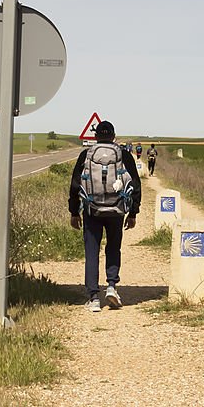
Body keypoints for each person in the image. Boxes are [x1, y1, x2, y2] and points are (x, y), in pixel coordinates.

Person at [69, 121, 142, 312]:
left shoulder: (86, 155)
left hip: (92, 210)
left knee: (92, 252)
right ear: (113, 136)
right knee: (113, 248)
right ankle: (111, 286)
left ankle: (93, 297)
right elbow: (135, 184)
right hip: (116, 211)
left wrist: (74, 211)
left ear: (95, 136)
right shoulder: (123, 154)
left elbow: (76, 184)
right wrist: (133, 212)